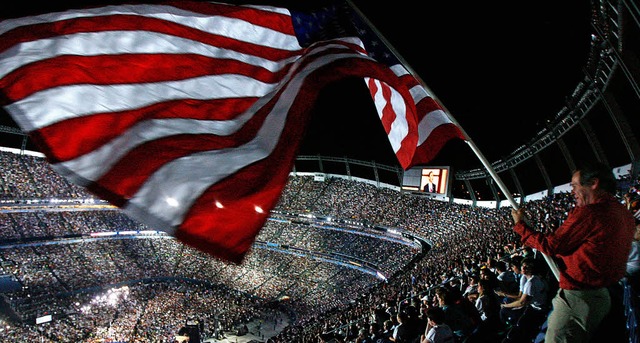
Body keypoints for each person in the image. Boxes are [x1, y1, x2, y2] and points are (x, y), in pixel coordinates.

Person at [510, 161, 636, 343]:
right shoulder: (623, 213)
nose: (572, 191)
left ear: (593, 183)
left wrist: (520, 225)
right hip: (602, 297)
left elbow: (551, 246)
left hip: (578, 299)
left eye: (575, 186)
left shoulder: (590, 213)